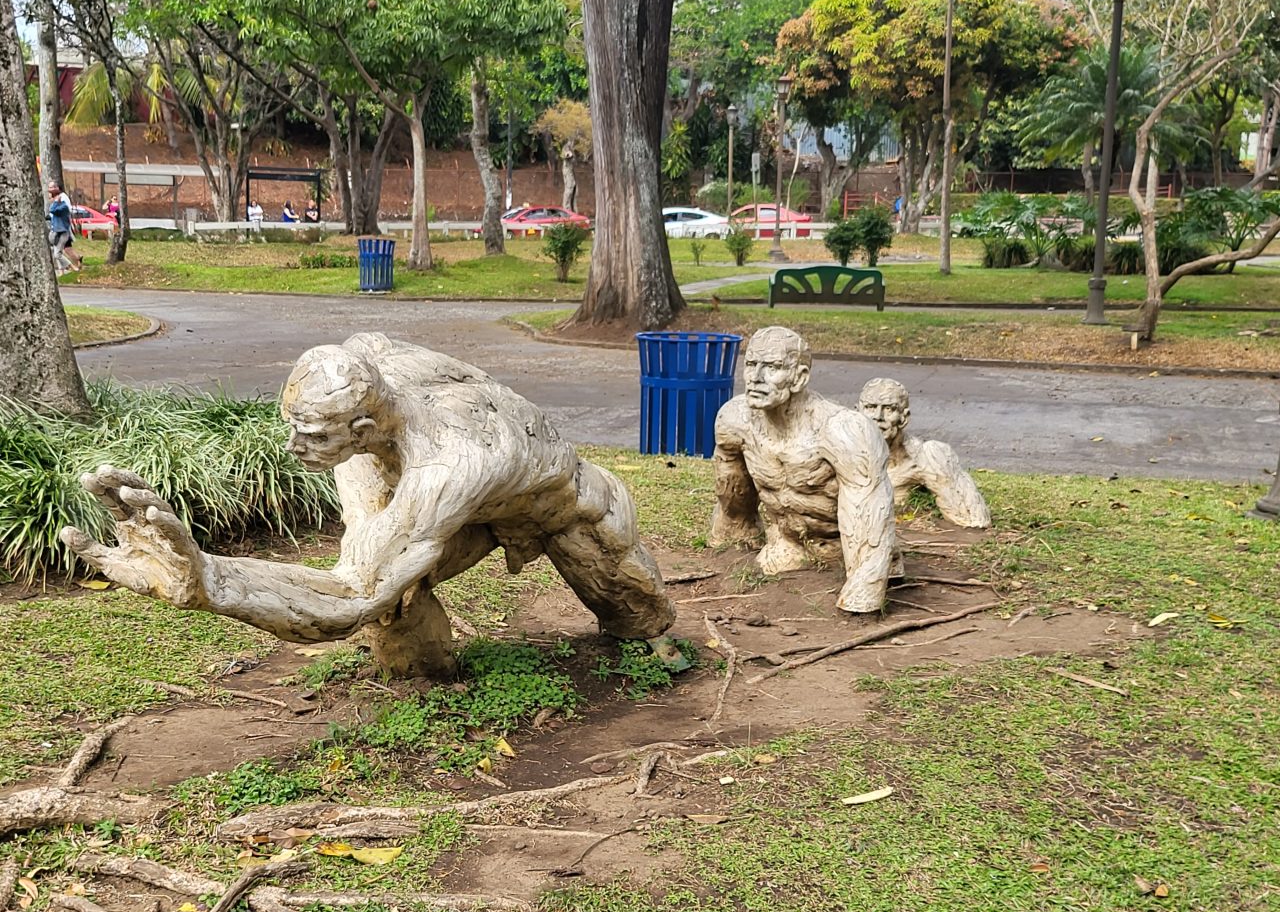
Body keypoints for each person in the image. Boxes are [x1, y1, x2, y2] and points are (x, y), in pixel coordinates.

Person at [61, 334, 681, 678]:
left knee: (639, 616)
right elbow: (362, 580)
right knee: (397, 595)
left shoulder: (449, 463)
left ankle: (649, 643)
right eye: (294, 426)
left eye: (314, 437)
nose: (294, 447)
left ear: (362, 426)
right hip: (448, 489)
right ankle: (428, 682)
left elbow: (347, 597)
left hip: (560, 506)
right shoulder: (371, 363)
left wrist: (210, 580)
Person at [710, 327, 895, 614]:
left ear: (800, 377)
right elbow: (731, 490)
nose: (756, 377)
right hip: (785, 546)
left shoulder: (844, 430)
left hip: (839, 549)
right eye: (750, 364)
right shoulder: (735, 420)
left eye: (772, 367)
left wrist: (864, 595)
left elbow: (871, 509)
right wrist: (731, 539)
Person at [857, 378, 992, 529]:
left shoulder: (925, 456)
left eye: (889, 409)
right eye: (870, 407)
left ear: (904, 418)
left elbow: (974, 519)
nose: (878, 416)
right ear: (857, 412)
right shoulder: (842, 454)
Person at [47, 182, 83, 273]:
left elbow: (54, 211)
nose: (49, 196)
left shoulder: (62, 204)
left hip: (62, 231)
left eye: (51, 191)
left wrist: (56, 202)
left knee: (61, 252)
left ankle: (73, 265)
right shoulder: (57, 204)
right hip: (55, 231)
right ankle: (62, 270)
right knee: (58, 252)